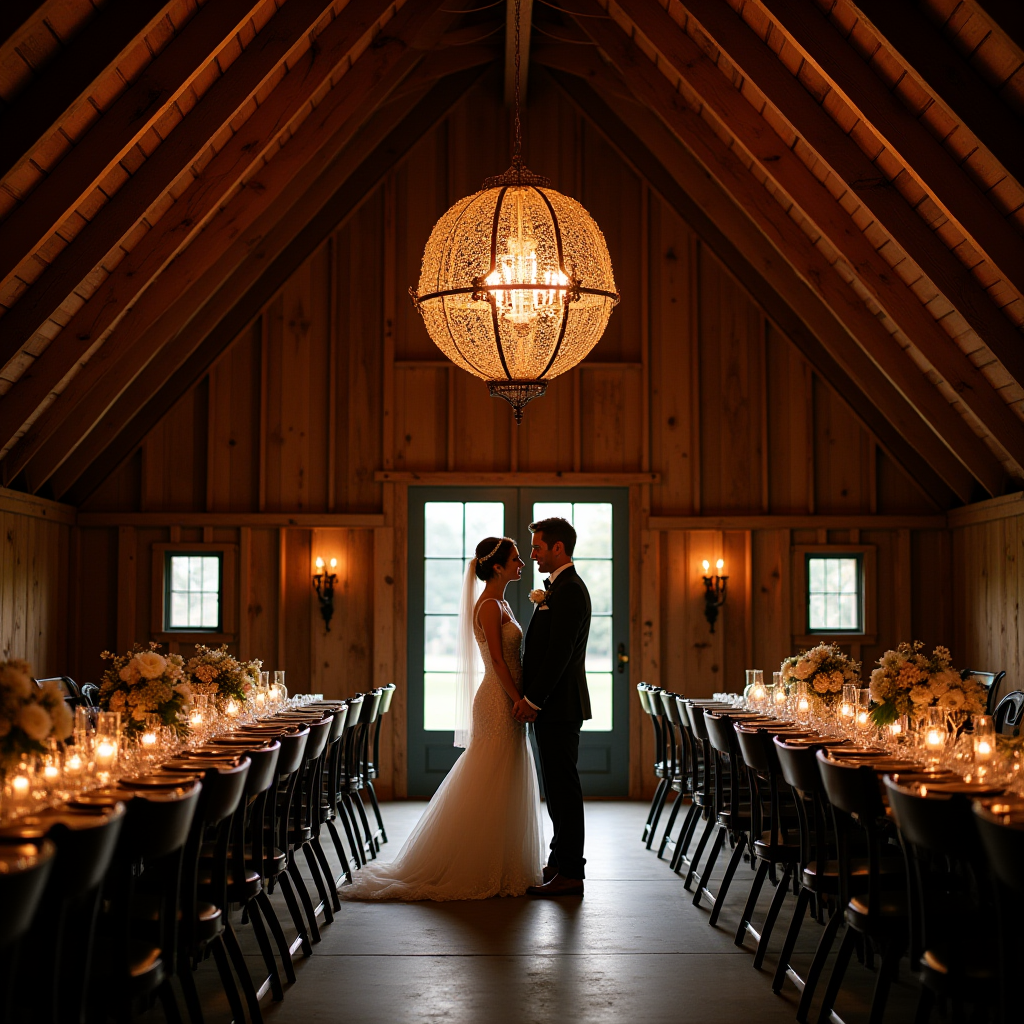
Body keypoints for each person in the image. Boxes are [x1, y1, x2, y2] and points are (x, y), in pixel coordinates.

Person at [339, 537, 543, 901]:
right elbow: (497, 662)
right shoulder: (488, 607)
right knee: (490, 777)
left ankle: (504, 861)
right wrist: (518, 700)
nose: (522, 564)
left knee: (506, 778)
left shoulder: (504, 603)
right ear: (497, 567)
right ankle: (475, 864)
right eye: (515, 559)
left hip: (507, 698)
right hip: (497, 700)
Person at [514, 517, 592, 898]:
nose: (532, 555)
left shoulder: (571, 590)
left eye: (537, 548)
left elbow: (560, 654)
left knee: (563, 788)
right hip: (553, 706)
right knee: (556, 788)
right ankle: (559, 861)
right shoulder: (556, 589)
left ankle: (571, 872)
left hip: (559, 705)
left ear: (557, 548)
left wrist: (532, 700)